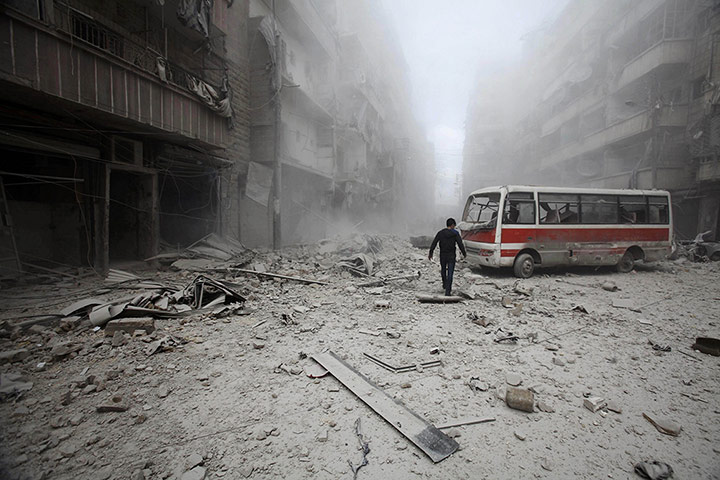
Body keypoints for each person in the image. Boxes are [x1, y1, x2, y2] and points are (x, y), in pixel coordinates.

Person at [428, 218, 467, 296]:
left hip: (443, 255)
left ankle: (444, 285)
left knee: (443, 270)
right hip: (451, 255)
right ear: (452, 225)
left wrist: (430, 253)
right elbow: (460, 244)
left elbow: (434, 243)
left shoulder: (440, 233)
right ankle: (448, 292)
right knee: (450, 273)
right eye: (454, 225)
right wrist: (464, 253)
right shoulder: (455, 233)